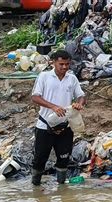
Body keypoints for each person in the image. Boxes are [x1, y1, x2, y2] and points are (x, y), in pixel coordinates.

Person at [30, 50, 86, 185]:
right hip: (44, 126)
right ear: (53, 63)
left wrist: (79, 104)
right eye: (61, 64)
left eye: (67, 64)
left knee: (63, 158)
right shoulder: (44, 76)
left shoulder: (72, 78)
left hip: (65, 126)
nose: (64, 67)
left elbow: (81, 95)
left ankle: (61, 187)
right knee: (40, 159)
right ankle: (35, 186)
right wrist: (53, 107)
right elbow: (35, 97)